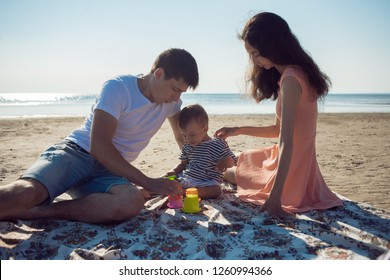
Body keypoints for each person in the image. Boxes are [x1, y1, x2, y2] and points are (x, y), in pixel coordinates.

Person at [0, 48, 199, 224]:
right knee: (28, 192)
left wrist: (197, 168)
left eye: (181, 92)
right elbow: (99, 146)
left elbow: (182, 138)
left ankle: (39, 212)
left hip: (110, 171)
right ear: (159, 73)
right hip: (76, 153)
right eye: (175, 89)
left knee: (131, 201)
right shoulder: (118, 88)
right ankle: (28, 204)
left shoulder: (171, 104)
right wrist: (147, 181)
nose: (176, 98)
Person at [214, 12, 343, 220]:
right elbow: (278, 130)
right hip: (298, 159)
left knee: (231, 174)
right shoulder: (298, 73)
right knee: (247, 160)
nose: (254, 61)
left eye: (256, 53)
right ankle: (244, 165)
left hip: (293, 166)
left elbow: (286, 141)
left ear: (272, 45)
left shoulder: (291, 80)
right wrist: (237, 130)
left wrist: (276, 195)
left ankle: (248, 172)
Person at [165, 104, 237, 199]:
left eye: (192, 135)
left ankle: (185, 192)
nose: (188, 139)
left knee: (216, 190)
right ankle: (183, 190)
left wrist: (228, 160)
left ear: (205, 129)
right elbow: (183, 164)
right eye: (184, 135)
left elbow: (233, 162)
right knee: (169, 182)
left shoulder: (217, 144)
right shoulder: (188, 145)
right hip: (187, 178)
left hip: (207, 182)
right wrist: (174, 170)